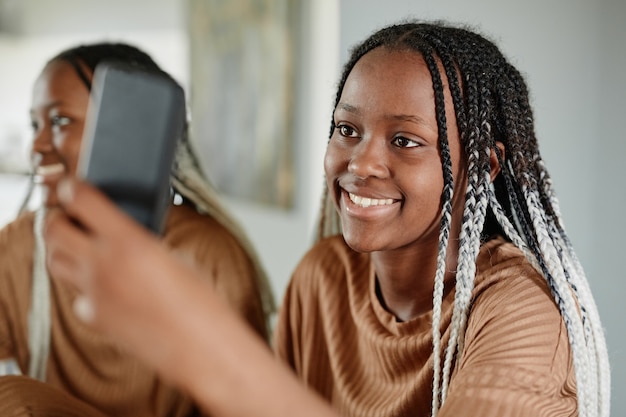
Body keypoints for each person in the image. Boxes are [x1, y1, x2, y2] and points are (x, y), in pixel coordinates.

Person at [42, 20, 611, 417]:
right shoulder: (323, 277)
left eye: (406, 139)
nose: (360, 163)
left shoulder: (523, 311)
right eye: (347, 129)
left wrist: (197, 338)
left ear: (481, 169)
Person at [0, 42, 275, 417]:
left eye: (60, 121)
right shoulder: (18, 246)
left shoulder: (206, 253)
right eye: (36, 125)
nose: (37, 145)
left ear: (128, 130)